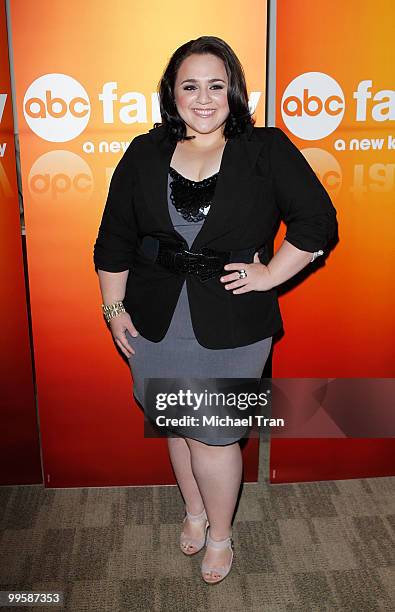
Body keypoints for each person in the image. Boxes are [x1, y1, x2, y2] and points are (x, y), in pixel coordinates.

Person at [93, 36, 338, 584]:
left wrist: (270, 274)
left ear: (234, 91)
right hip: (154, 315)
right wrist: (113, 310)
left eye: (216, 85)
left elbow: (317, 223)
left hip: (232, 318)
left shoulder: (265, 148)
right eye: (190, 86)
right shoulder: (143, 152)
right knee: (179, 424)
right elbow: (113, 241)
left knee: (216, 432)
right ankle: (195, 511)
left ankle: (221, 534)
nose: (204, 98)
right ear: (172, 93)